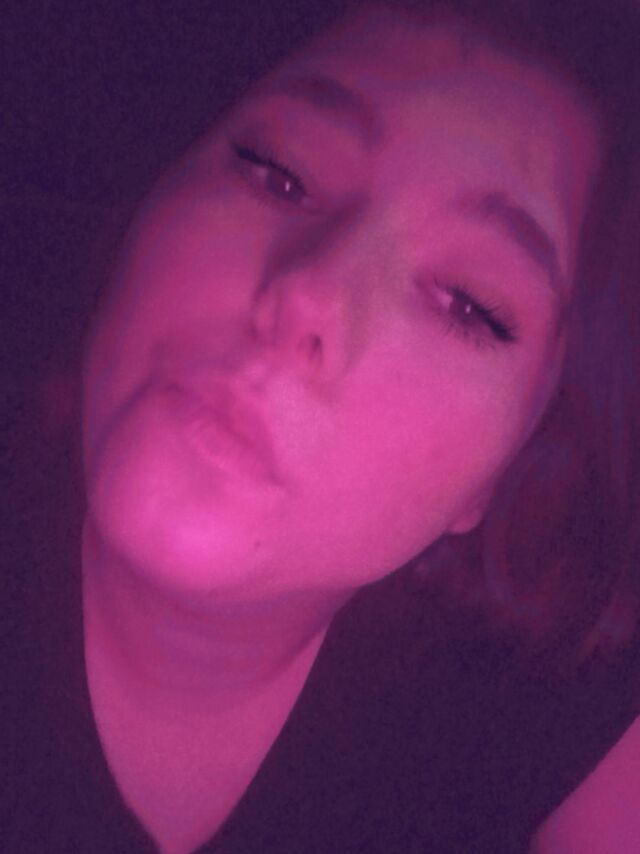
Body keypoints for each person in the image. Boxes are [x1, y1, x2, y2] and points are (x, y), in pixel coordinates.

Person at [2, 1, 639, 852]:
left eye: (469, 304)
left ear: (511, 466)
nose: (310, 294)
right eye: (279, 173)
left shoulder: (543, 693)